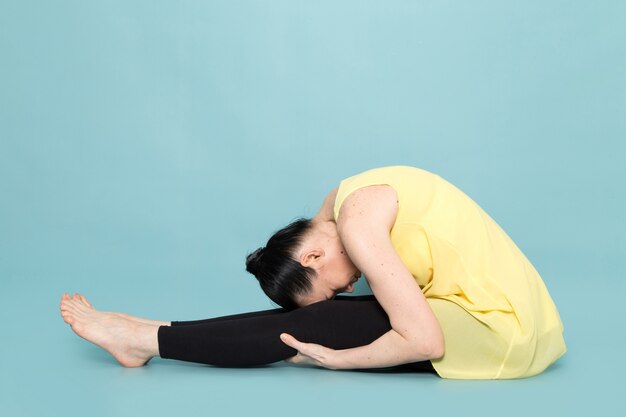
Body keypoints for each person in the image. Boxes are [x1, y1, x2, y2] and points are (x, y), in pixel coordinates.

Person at [60, 165, 566, 379]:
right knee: (324, 319)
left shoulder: (359, 225)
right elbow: (321, 227)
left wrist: (340, 360)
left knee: (317, 328)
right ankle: (152, 334)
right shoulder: (347, 197)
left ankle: (143, 338)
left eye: (333, 286)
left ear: (313, 257)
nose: (350, 287)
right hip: (522, 319)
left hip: (501, 334)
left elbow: (427, 342)